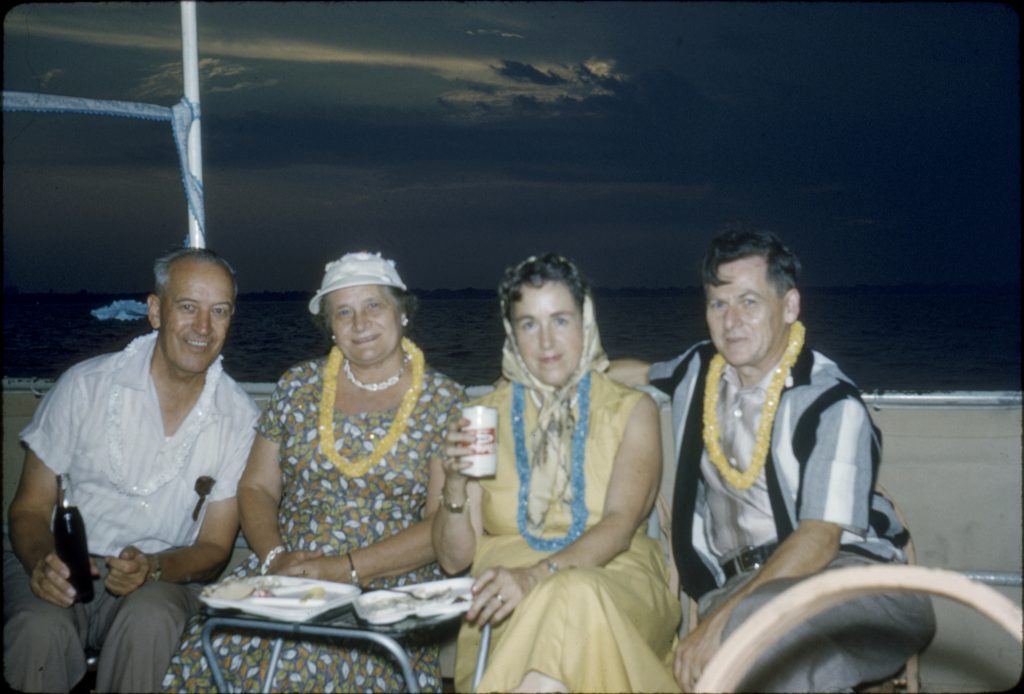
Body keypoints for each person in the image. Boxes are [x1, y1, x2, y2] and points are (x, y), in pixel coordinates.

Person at [610, 229, 936, 692]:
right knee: (750, 646)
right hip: (735, 587)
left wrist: (718, 623)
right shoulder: (700, 368)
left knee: (758, 639)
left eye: (749, 302)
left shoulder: (830, 402)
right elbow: (634, 373)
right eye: (718, 304)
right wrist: (552, 369)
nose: (731, 321)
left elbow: (820, 539)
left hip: (852, 578)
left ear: (789, 307)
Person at [163, 251, 465, 692]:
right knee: (210, 652)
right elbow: (257, 486)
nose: (359, 323)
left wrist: (345, 569)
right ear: (330, 326)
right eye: (343, 312)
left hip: (387, 586)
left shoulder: (445, 401)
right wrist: (273, 558)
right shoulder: (297, 387)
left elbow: (442, 524)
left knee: (305, 663)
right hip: (291, 572)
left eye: (373, 306)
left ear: (402, 313)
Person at [3, 247, 259, 693]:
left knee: (152, 619)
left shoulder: (239, 417)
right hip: (59, 559)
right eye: (188, 307)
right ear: (156, 311)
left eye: (219, 311)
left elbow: (216, 545)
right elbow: (29, 507)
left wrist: (155, 568)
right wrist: (43, 562)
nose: (203, 327)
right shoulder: (85, 385)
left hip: (161, 578)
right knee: (38, 629)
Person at [434, 253, 680, 693]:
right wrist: (454, 483)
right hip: (502, 602)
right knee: (565, 605)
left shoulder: (629, 410)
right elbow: (453, 559)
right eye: (529, 323)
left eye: (560, 320)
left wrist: (537, 576)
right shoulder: (483, 418)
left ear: (585, 323)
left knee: (572, 593)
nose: (546, 341)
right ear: (511, 333)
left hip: (616, 582)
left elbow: (621, 526)